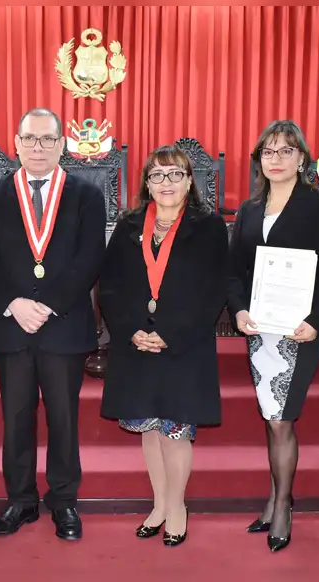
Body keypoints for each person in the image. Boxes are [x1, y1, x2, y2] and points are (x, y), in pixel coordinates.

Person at [0, 108, 106, 540]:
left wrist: (45, 304)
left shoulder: (86, 194)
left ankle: (64, 502)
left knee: (64, 419)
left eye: (48, 140)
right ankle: (20, 500)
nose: (39, 148)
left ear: (62, 145)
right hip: (11, 325)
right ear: (16, 142)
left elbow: (89, 259)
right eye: (30, 139)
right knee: (16, 417)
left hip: (62, 325)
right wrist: (15, 302)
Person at [98, 146, 229, 547]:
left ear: (190, 180)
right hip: (136, 345)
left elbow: (214, 289)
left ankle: (177, 507)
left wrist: (170, 331)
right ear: (146, 184)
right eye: (157, 176)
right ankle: (157, 504)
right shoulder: (129, 224)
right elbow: (111, 286)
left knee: (175, 431)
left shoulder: (207, 226)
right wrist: (131, 329)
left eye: (175, 175)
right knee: (149, 430)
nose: (166, 183)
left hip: (182, 346)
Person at [227, 120, 319, 552]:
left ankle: (283, 505)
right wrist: (238, 309)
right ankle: (276, 497)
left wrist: (316, 319)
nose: (276, 159)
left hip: (299, 331)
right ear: (259, 160)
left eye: (285, 151)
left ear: (301, 157)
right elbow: (234, 270)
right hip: (260, 330)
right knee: (272, 418)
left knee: (281, 421)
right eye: (268, 152)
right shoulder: (248, 210)